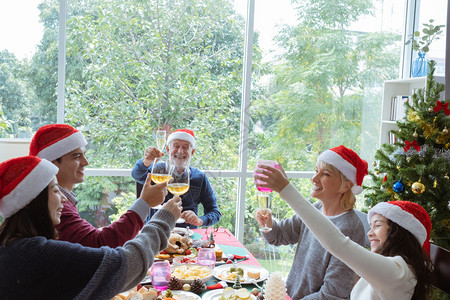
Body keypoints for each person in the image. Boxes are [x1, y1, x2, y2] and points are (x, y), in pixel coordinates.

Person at [0, 155, 182, 299]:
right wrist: (163, 220)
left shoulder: (12, 247)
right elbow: (125, 265)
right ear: (30, 202)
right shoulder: (41, 254)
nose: (63, 198)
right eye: (55, 191)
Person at [256, 164, 433, 299]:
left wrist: (285, 189)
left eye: (377, 226)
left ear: (400, 232)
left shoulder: (398, 272)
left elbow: (338, 244)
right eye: (370, 227)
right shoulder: (385, 267)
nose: (369, 234)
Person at [254, 145, 367, 299]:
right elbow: (278, 236)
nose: (314, 179)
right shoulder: (316, 209)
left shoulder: (349, 228)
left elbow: (331, 296)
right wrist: (267, 223)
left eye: (325, 174)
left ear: (346, 185)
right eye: (316, 171)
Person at [29, 124, 167, 247]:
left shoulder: (60, 199)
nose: (86, 162)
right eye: (77, 157)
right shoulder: (53, 205)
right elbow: (99, 243)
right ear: (53, 164)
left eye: (84, 155)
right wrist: (144, 203)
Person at [131, 128, 221, 228]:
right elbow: (137, 174)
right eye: (176, 146)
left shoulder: (199, 177)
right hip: (154, 234)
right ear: (168, 150)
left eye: (186, 147)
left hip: (187, 236)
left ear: (192, 152)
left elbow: (215, 212)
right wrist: (146, 162)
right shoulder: (157, 172)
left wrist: (200, 220)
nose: (180, 151)